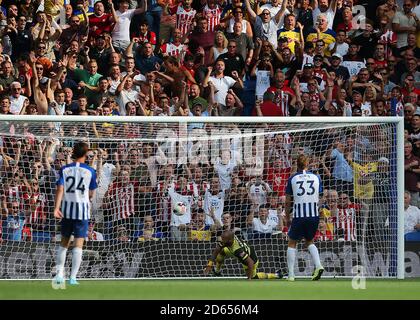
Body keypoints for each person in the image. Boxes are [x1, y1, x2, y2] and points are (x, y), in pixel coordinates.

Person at [53, 141, 98, 286]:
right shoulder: (90, 171)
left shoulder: (65, 169)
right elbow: (91, 193)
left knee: (64, 243)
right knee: (78, 245)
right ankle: (73, 278)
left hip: (66, 210)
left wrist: (56, 208)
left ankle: (60, 275)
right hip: (82, 212)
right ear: (85, 154)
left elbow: (60, 189)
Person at [285, 154, 324, 281]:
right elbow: (322, 196)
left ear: (297, 164)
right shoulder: (316, 177)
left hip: (299, 215)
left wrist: (287, 216)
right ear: (308, 164)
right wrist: (317, 208)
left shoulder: (292, 178)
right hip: (313, 215)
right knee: (309, 241)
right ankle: (318, 265)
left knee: (292, 242)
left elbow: (287, 201)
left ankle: (291, 274)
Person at [203, 230, 283, 279]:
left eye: (224, 241)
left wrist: (249, 280)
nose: (222, 242)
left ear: (230, 240)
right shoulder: (228, 239)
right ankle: (217, 271)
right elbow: (216, 251)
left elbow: (250, 262)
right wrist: (209, 265)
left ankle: (276, 275)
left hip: (251, 260)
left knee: (253, 277)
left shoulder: (238, 250)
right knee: (221, 251)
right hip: (235, 251)